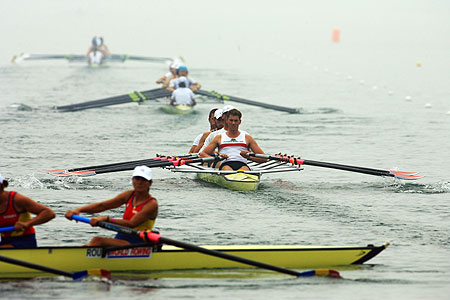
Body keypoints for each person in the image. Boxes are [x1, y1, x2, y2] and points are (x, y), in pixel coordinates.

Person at [65, 166, 158, 247]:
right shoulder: (128, 195)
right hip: (123, 236)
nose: (140, 182)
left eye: (143, 180)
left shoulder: (151, 204)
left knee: (97, 241)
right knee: (92, 244)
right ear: (133, 180)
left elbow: (131, 224)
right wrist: (78, 210)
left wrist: (106, 219)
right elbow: (102, 206)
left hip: (139, 241)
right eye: (137, 179)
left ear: (149, 183)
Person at [0, 172, 55, 248]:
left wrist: (27, 224)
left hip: (25, 242)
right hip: (4, 242)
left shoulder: (17, 199)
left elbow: (49, 213)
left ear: (3, 185)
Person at [200, 109, 266, 171]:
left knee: (245, 169)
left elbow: (264, 158)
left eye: (235, 121)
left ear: (239, 122)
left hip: (242, 165)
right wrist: (217, 158)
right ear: (227, 121)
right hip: (225, 165)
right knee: (227, 169)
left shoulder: (247, 137)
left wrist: (249, 157)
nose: (233, 123)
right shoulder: (219, 137)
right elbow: (202, 154)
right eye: (231, 120)